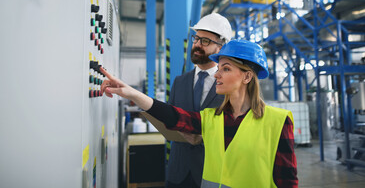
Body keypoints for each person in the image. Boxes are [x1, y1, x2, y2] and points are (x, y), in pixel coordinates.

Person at [100, 39, 298, 188]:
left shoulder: (278, 121)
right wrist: (131, 93)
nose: (217, 74)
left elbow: (287, 180)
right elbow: (172, 116)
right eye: (218, 68)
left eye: (226, 69)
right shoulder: (211, 118)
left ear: (247, 76)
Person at [163, 13, 232, 188]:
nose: (197, 45)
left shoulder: (230, 84)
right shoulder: (180, 82)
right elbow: (169, 118)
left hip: (213, 172)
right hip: (178, 172)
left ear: (221, 47)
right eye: (196, 39)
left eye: (205, 41)